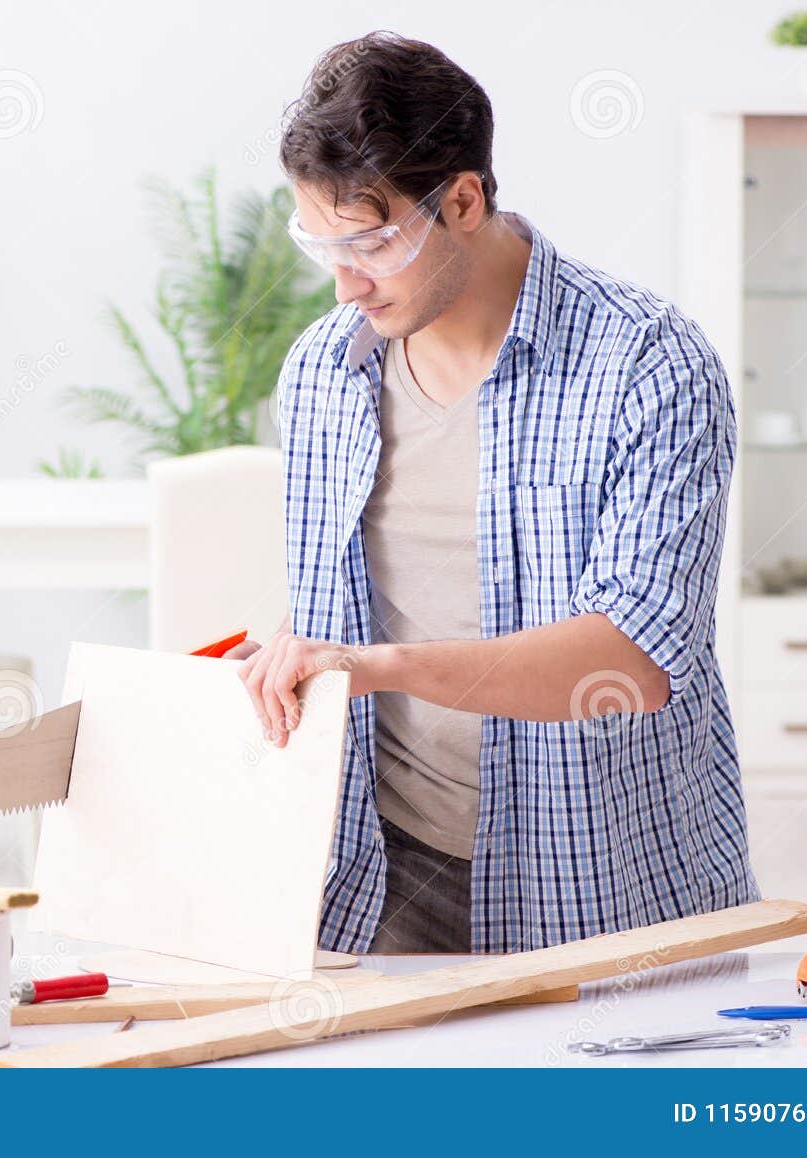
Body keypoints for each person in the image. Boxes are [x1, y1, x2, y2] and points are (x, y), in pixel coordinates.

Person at [232, 31, 757, 954]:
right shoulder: (323, 371)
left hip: (607, 884)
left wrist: (376, 665)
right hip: (380, 874)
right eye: (321, 245)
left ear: (463, 199)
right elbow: (350, 600)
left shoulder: (647, 364)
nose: (346, 281)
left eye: (371, 243)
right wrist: (286, 659)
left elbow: (631, 662)